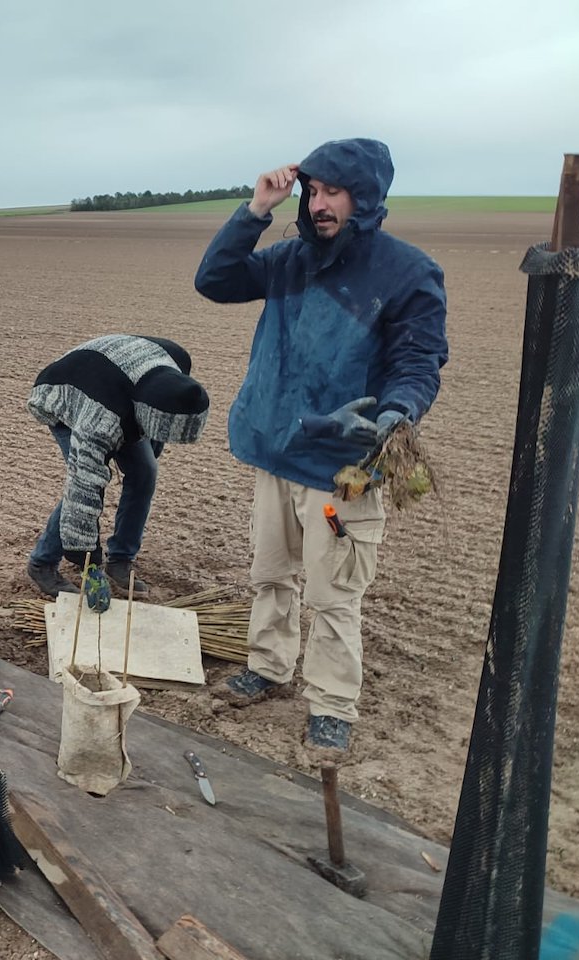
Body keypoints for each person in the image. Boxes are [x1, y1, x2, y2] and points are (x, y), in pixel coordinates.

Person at [194, 138, 448, 754]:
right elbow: (215, 280)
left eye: (332, 191)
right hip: (275, 449)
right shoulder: (290, 260)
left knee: (334, 595)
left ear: (365, 197)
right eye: (312, 191)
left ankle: (332, 702)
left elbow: (419, 361)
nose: (318, 203)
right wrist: (256, 209)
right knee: (270, 575)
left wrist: (396, 413)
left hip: (341, 468)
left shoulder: (405, 272)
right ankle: (270, 665)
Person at [26, 334, 210, 600]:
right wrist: (88, 565)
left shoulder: (176, 364)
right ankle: (42, 563)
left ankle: (120, 558)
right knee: (89, 486)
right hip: (66, 394)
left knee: (145, 471)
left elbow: (159, 430)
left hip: (119, 385)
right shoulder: (99, 423)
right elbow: (83, 490)